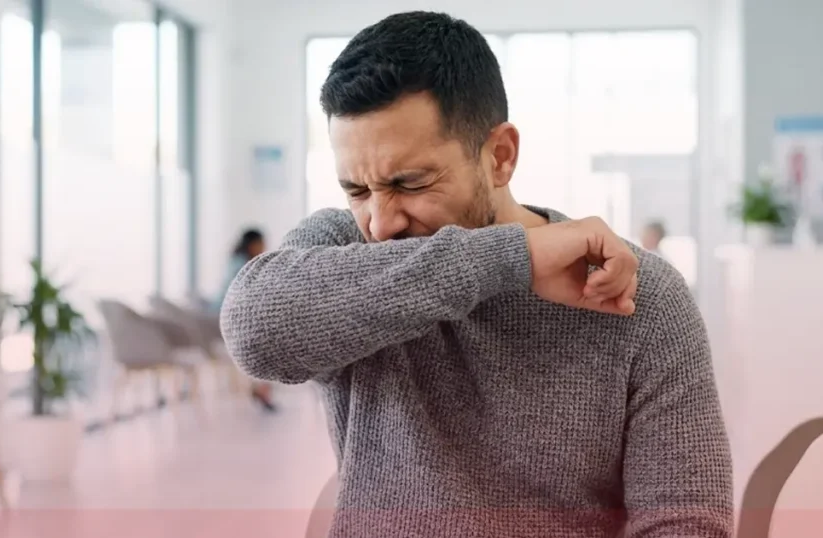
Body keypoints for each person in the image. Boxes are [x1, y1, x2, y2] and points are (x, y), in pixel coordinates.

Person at [221, 12, 732, 537]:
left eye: (411, 183)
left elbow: (687, 523)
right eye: (356, 190)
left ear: (500, 157)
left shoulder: (643, 299)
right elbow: (253, 330)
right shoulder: (346, 251)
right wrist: (511, 260)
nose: (379, 221)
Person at [216, 229, 277, 412]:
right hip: (226, 320)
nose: (264, 248)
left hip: (223, 318)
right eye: (262, 243)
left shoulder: (235, 263)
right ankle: (263, 389)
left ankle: (261, 388)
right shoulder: (245, 267)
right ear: (253, 244)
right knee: (267, 343)